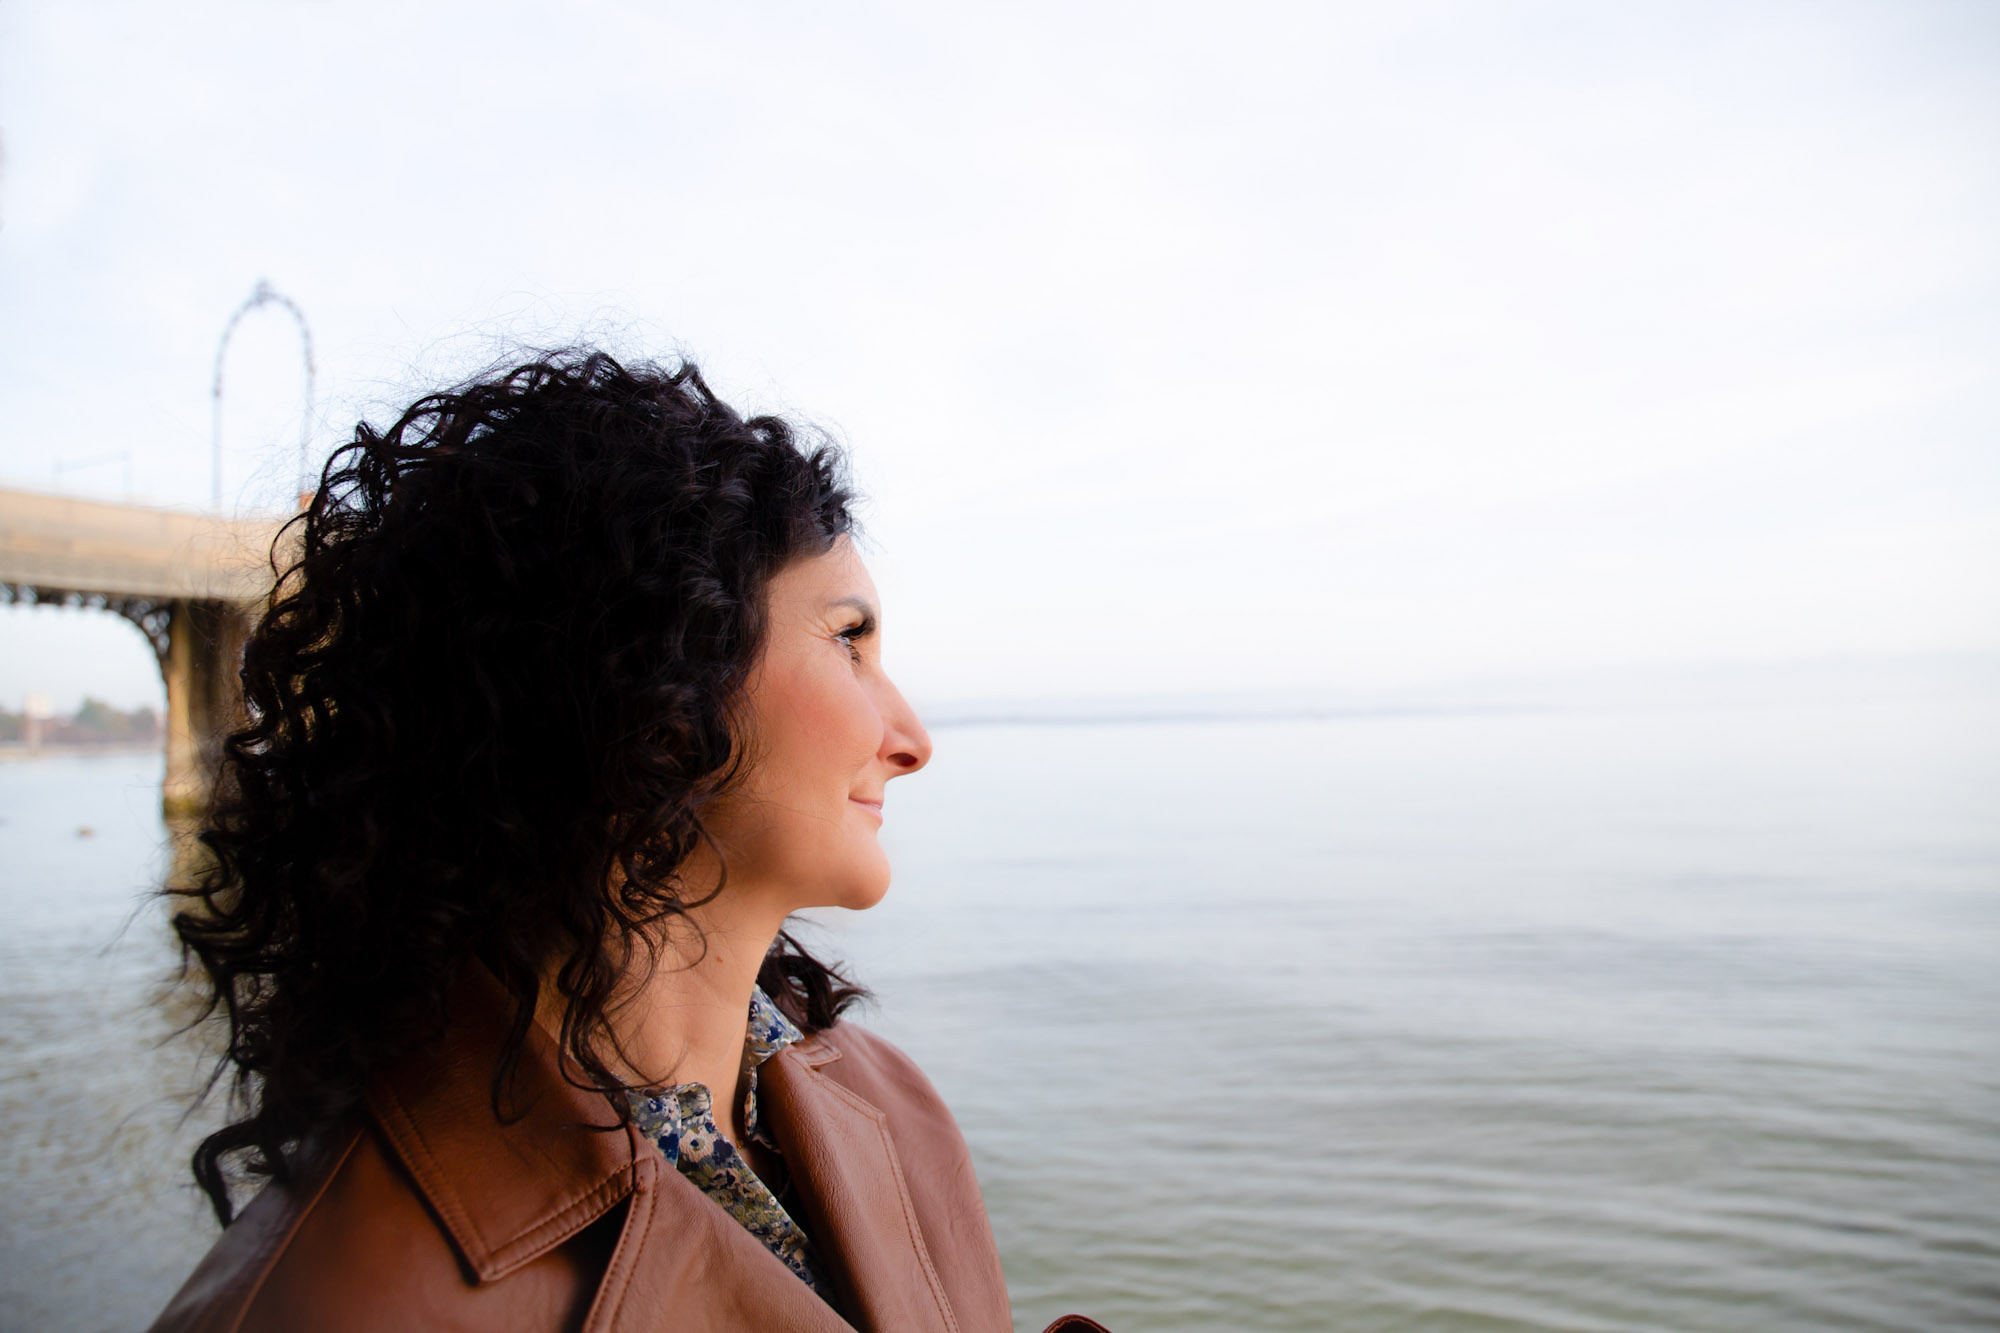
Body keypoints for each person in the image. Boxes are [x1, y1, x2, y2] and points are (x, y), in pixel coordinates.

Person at [150, 352, 1105, 1333]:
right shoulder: (334, 1305)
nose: (909, 740)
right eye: (847, 641)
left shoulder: (887, 1103)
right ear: (647, 681)